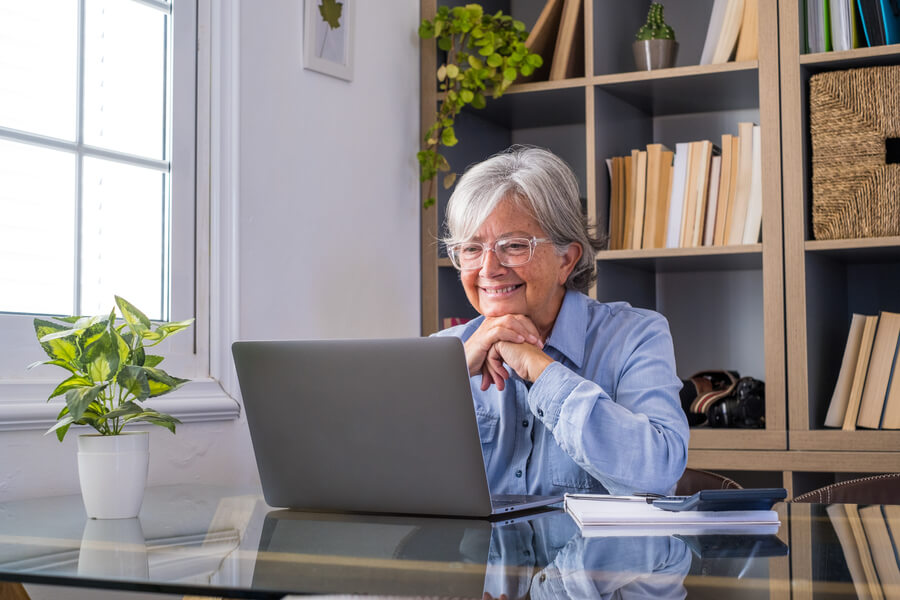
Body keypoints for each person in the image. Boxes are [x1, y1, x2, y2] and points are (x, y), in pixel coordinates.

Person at [434, 145, 689, 497]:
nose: (488, 269)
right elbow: (390, 483)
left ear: (566, 260)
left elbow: (658, 473)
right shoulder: (446, 352)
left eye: (514, 246)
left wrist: (541, 369)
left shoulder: (636, 336)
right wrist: (450, 378)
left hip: (601, 554)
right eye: (472, 249)